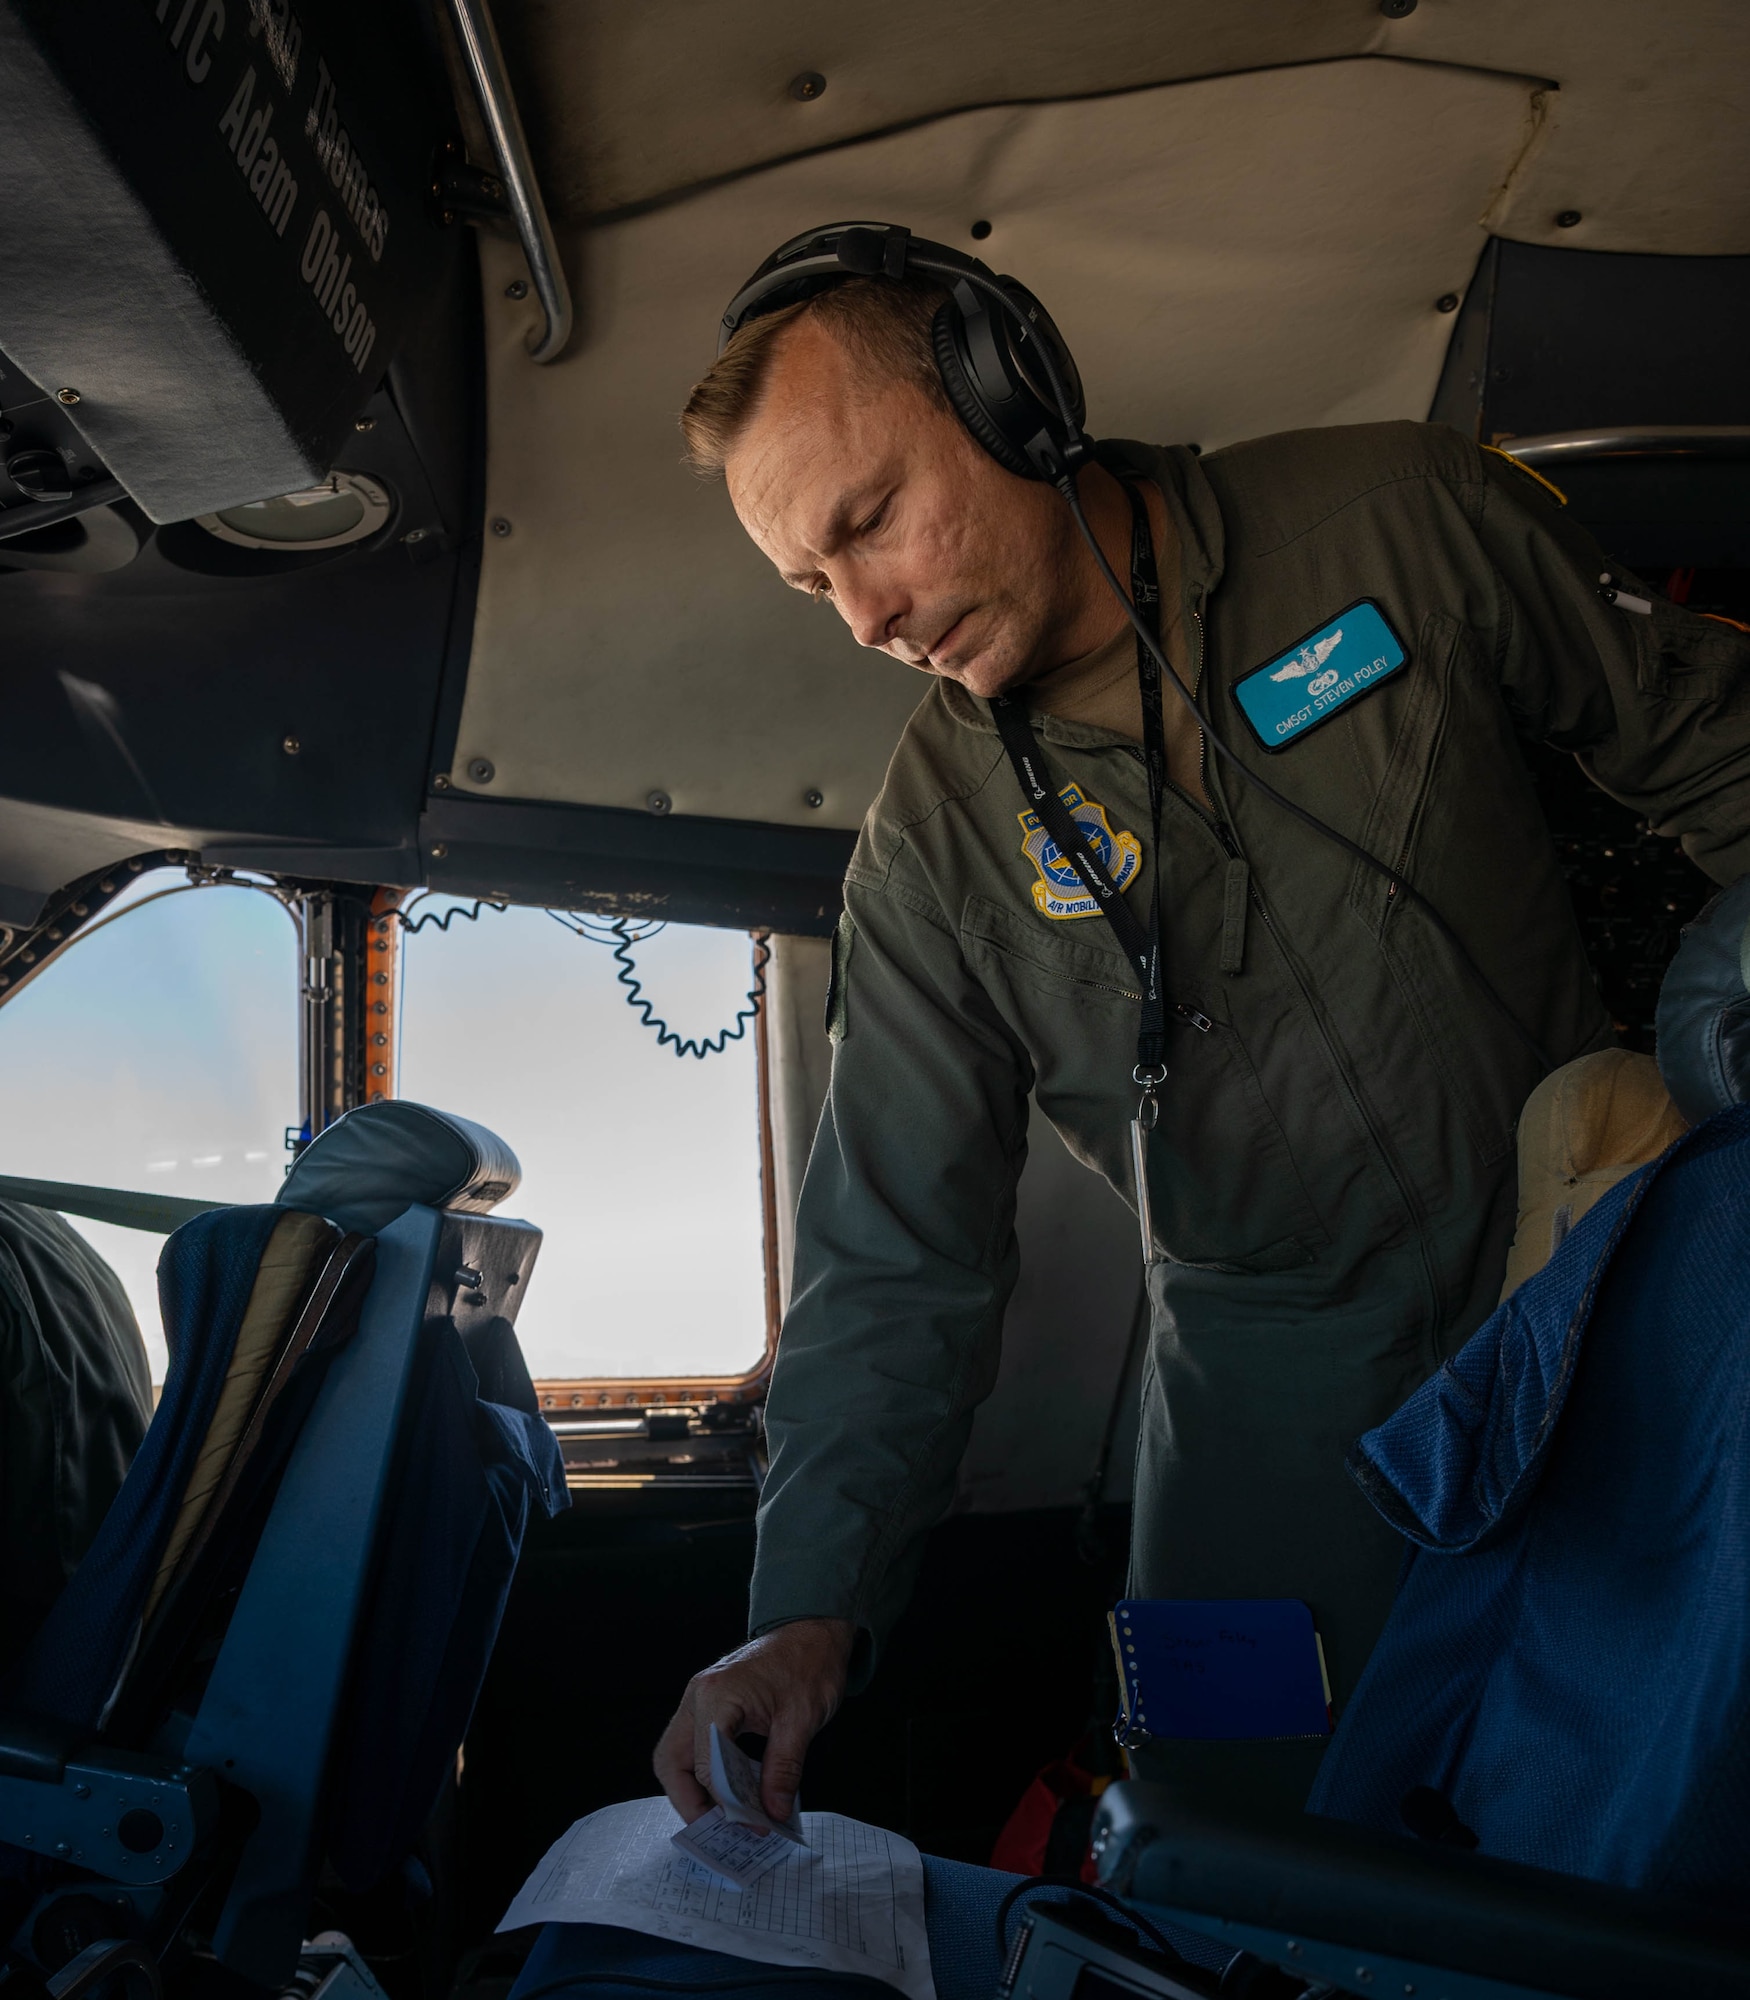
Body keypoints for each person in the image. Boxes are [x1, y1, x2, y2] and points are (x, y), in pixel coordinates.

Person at [652, 223, 1750, 1826]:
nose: (865, 616)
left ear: (1007, 390)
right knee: (1228, 1852)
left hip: (1583, 1296)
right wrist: (802, 1607)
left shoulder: (1401, 518)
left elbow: (1713, 758)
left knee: (1633, 1811)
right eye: (815, 582)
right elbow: (894, 1257)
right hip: (1259, 1418)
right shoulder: (933, 843)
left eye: (869, 524)